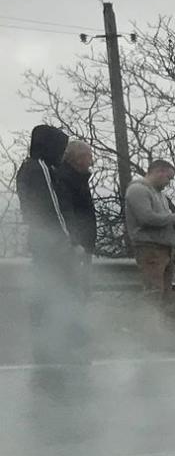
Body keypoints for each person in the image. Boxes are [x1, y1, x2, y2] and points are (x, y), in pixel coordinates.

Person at [13, 126, 93, 364]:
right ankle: (61, 343)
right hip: (53, 244)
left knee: (49, 292)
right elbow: (54, 209)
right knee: (62, 291)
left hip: (43, 242)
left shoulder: (28, 168)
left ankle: (49, 343)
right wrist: (70, 242)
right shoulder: (41, 169)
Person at [123, 159, 175, 304]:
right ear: (158, 171)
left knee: (165, 294)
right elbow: (146, 218)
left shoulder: (160, 195)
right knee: (153, 294)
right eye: (168, 177)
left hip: (166, 249)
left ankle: (161, 325)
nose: (169, 182)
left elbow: (162, 220)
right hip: (150, 249)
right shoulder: (138, 189)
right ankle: (149, 325)